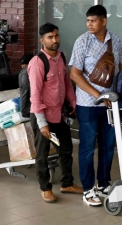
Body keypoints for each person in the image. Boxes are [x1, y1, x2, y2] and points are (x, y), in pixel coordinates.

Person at [69, 4, 122, 206]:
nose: (89, 24)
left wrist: (117, 92)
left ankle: (103, 184)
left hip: (110, 103)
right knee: (88, 147)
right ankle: (88, 189)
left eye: (93, 21)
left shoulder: (115, 40)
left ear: (104, 21)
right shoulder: (82, 41)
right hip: (88, 104)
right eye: (87, 20)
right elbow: (74, 74)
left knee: (108, 145)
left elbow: (117, 67)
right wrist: (99, 95)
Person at [28, 23, 82, 202]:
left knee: (65, 149)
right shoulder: (38, 62)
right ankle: (45, 188)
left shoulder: (60, 58)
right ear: (42, 40)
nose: (54, 40)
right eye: (50, 37)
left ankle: (67, 183)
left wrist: (73, 102)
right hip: (44, 119)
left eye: (56, 36)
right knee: (42, 154)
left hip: (60, 116)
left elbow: (66, 84)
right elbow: (35, 94)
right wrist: (42, 123)